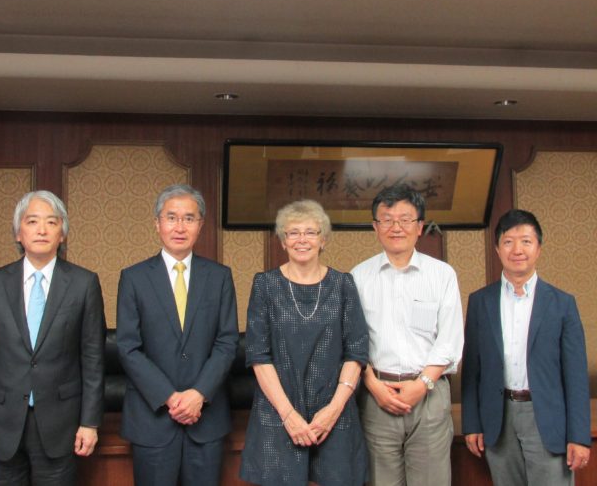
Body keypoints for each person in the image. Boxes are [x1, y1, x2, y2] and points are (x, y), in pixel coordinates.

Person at [0, 190, 105, 486]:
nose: (41, 230)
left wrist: (89, 423)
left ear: (62, 234)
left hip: (60, 424)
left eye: (51, 222)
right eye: (32, 221)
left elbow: (92, 359)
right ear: (18, 232)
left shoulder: (84, 283)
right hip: (2, 423)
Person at [240, 199, 369, 486]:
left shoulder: (343, 284)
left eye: (310, 232)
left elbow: (356, 352)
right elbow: (258, 356)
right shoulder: (265, 285)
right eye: (293, 232)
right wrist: (288, 415)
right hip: (278, 413)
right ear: (283, 241)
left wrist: (333, 410)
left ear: (323, 239)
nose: (302, 240)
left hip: (334, 414)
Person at [116, 183, 238, 486]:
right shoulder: (133, 278)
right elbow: (128, 347)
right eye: (171, 217)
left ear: (200, 225)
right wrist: (170, 398)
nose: (179, 226)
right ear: (157, 224)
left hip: (206, 418)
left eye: (189, 218)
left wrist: (199, 394)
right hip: (152, 418)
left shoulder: (219, 277)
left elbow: (226, 342)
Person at [461, 209, 591, 486]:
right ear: (497, 249)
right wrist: (471, 424)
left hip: (546, 417)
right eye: (508, 242)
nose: (517, 249)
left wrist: (579, 436)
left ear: (539, 248)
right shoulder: (480, 302)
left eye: (526, 241)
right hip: (499, 416)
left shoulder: (562, 304)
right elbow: (472, 368)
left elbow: (577, 376)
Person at [350, 183, 463, 486]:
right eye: (386, 219)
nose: (395, 227)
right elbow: (351, 341)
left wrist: (422, 384)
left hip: (429, 395)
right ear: (375, 227)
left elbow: (450, 340)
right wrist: (372, 384)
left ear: (420, 226)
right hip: (377, 396)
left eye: (405, 219)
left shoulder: (442, 275)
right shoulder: (358, 277)